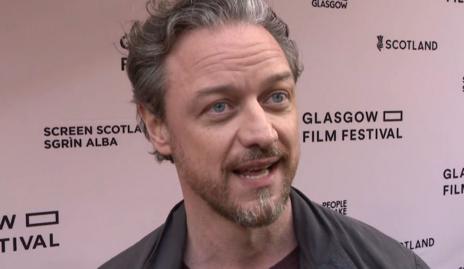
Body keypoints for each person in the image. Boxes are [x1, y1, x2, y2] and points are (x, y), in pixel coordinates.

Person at [100, 0, 430, 268]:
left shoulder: (391, 263)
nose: (263, 133)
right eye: (220, 106)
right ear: (158, 127)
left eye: (276, 97)